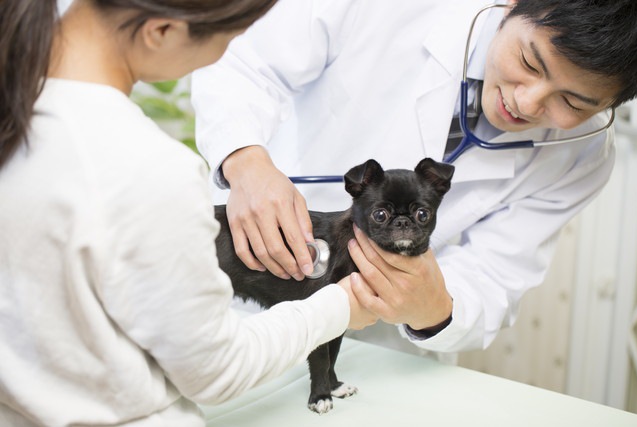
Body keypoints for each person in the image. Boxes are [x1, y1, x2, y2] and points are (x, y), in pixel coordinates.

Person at [0, 0, 377, 425]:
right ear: (161, 32)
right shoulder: (151, 171)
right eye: (230, 39)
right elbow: (215, 372)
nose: (225, 57)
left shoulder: (19, 116)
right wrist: (338, 305)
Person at [191, 0, 637, 355]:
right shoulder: (393, 7)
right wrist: (246, 161)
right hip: (243, 287)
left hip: (378, 347)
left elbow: (495, 275)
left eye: (574, 103)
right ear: (511, 4)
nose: (527, 102)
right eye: (529, 61)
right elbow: (246, 64)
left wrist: (434, 308)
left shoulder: (581, 159)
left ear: (609, 105)